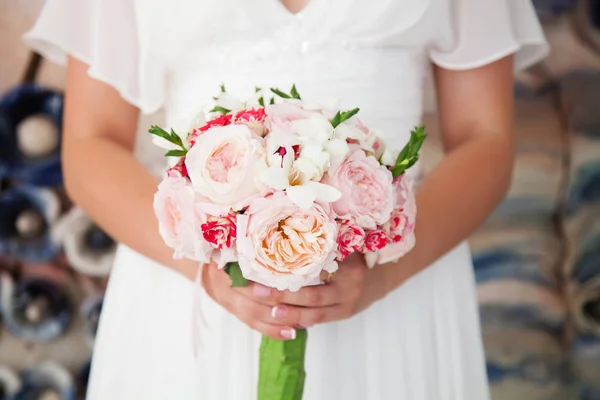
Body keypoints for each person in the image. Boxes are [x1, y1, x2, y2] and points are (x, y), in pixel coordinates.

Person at [25, 0, 548, 398]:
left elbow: (487, 139)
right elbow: (91, 144)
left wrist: (386, 272)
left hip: (397, 283)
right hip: (186, 290)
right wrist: (208, 270)